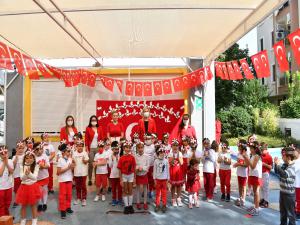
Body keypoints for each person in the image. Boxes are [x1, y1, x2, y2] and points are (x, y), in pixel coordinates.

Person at [16, 149, 41, 225]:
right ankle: (23, 220)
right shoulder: (22, 166)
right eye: (27, 158)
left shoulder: (36, 166)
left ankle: (34, 219)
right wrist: (26, 174)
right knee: (23, 205)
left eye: (31, 157)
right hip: (24, 187)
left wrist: (29, 173)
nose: (29, 159)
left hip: (33, 187)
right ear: (24, 159)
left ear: (34, 158)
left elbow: (35, 177)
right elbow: (21, 178)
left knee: (33, 205)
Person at [274, 147, 296, 225]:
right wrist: (275, 164)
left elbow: (284, 174)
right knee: (283, 213)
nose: (282, 157)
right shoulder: (285, 165)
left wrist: (277, 164)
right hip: (282, 192)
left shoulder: (292, 167)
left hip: (289, 195)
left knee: (291, 215)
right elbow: (277, 171)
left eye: (283, 156)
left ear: (289, 157)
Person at [243, 141, 262, 216]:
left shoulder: (257, 156)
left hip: (256, 176)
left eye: (251, 148)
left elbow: (253, 167)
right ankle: (255, 206)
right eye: (250, 148)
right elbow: (248, 164)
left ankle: (257, 208)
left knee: (256, 192)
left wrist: (247, 158)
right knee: (254, 192)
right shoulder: (252, 156)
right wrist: (245, 158)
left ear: (255, 149)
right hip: (252, 175)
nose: (250, 149)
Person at [117, 140, 136, 214]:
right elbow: (119, 170)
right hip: (124, 176)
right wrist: (121, 179)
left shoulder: (132, 158)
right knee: (125, 191)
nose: (127, 149)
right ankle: (126, 206)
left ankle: (130, 205)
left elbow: (134, 168)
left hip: (131, 176)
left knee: (130, 190)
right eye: (126, 147)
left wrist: (134, 178)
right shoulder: (121, 158)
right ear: (123, 148)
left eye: (129, 147)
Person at [85, 115, 104, 186]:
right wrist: (87, 149)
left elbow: (102, 138)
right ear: (90, 121)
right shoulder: (88, 128)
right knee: (90, 164)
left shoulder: (100, 128)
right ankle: (90, 179)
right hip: (91, 148)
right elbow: (86, 139)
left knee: (96, 164)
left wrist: (102, 148)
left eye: (95, 120)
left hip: (98, 148)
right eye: (92, 120)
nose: (94, 121)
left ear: (97, 121)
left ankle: (96, 179)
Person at [57, 143, 75, 219]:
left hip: (69, 179)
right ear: (63, 152)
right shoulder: (60, 160)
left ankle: (68, 207)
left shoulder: (70, 159)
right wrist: (68, 167)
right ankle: (63, 210)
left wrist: (73, 165)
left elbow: (73, 169)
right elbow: (58, 172)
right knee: (62, 196)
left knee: (69, 195)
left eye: (69, 151)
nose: (69, 152)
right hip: (62, 180)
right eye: (67, 151)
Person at [34, 142, 50, 212]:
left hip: (45, 176)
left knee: (45, 190)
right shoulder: (33, 157)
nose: (40, 151)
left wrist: (43, 166)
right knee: (39, 191)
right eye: (38, 149)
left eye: (41, 149)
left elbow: (48, 165)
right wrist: (37, 167)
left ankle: (45, 203)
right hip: (37, 178)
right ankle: (40, 203)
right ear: (35, 150)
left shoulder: (45, 156)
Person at [72, 140, 89, 206]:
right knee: (77, 186)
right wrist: (73, 162)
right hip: (76, 172)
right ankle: (78, 198)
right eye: (79, 146)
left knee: (83, 186)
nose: (80, 147)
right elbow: (73, 162)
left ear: (83, 147)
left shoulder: (85, 153)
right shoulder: (74, 153)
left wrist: (84, 160)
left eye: (81, 146)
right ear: (76, 146)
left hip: (83, 173)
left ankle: (84, 198)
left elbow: (86, 161)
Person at [168, 139, 184, 207]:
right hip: (173, 170)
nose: (175, 147)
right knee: (173, 185)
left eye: (176, 145)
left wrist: (178, 156)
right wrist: (174, 157)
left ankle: (178, 198)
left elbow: (181, 162)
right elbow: (170, 162)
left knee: (179, 185)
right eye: (174, 145)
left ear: (178, 146)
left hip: (178, 170)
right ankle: (173, 199)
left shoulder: (180, 153)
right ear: (172, 146)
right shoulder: (170, 153)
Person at [153, 146, 169, 213]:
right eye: (160, 152)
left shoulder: (166, 161)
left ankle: (164, 205)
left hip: (164, 179)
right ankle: (157, 204)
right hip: (158, 179)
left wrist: (168, 178)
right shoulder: (156, 161)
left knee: (164, 193)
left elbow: (168, 170)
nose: (162, 154)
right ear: (158, 153)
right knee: (158, 193)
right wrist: (154, 179)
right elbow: (154, 170)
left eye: (163, 152)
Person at [135, 142, 150, 210]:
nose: (140, 149)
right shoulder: (135, 156)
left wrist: (143, 168)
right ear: (137, 149)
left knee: (145, 189)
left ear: (143, 148)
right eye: (139, 148)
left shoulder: (146, 156)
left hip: (144, 174)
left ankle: (145, 203)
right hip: (138, 174)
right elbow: (134, 165)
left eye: (141, 147)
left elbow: (148, 165)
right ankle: (138, 202)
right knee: (137, 189)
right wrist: (137, 168)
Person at [233, 139, 248, 207]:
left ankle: (243, 199)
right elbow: (238, 161)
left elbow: (246, 165)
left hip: (244, 173)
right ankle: (240, 197)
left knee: (244, 187)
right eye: (238, 148)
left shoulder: (246, 155)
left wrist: (238, 164)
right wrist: (236, 164)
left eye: (239, 148)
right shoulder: (238, 154)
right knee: (239, 186)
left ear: (243, 148)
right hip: (239, 172)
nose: (238, 149)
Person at [0, 146, 14, 217]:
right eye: (2, 153)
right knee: (1, 204)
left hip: (8, 186)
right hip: (1, 188)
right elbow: (0, 173)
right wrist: (4, 163)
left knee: (8, 203)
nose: (4, 154)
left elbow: (11, 171)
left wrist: (7, 162)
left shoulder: (10, 161)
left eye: (5, 152)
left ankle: (6, 216)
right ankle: (2, 218)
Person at [108, 141, 122, 206]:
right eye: (115, 149)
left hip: (119, 175)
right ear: (112, 149)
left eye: (117, 149)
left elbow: (121, 165)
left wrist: (117, 159)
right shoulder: (110, 156)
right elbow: (110, 166)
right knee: (113, 189)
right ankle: (114, 199)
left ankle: (119, 199)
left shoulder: (120, 156)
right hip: (113, 175)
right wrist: (113, 159)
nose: (116, 150)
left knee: (119, 188)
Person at [12, 141, 25, 207]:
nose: (20, 150)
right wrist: (16, 157)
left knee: (24, 189)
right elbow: (12, 166)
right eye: (19, 148)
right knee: (16, 189)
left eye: (22, 148)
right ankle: (16, 200)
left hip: (24, 176)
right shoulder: (14, 157)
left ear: (24, 148)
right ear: (16, 149)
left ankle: (24, 200)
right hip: (17, 175)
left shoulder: (26, 156)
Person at [260, 142, 273, 208]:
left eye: (263, 150)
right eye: (261, 150)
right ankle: (262, 199)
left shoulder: (269, 157)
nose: (262, 151)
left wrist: (265, 164)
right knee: (261, 187)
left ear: (266, 149)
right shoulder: (260, 156)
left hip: (265, 173)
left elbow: (271, 167)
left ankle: (266, 201)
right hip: (260, 173)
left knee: (266, 188)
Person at [143, 132, 156, 199]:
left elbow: (156, 156)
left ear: (151, 139)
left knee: (151, 179)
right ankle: (145, 190)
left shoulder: (154, 146)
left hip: (151, 165)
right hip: (144, 166)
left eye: (149, 138)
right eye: (146, 138)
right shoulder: (143, 146)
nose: (148, 140)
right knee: (145, 179)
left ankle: (151, 190)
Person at [294, 145, 300, 220]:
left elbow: (293, 171)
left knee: (298, 199)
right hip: (296, 183)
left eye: (295, 151)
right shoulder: (296, 161)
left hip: (297, 183)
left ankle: (298, 213)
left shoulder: (297, 162)